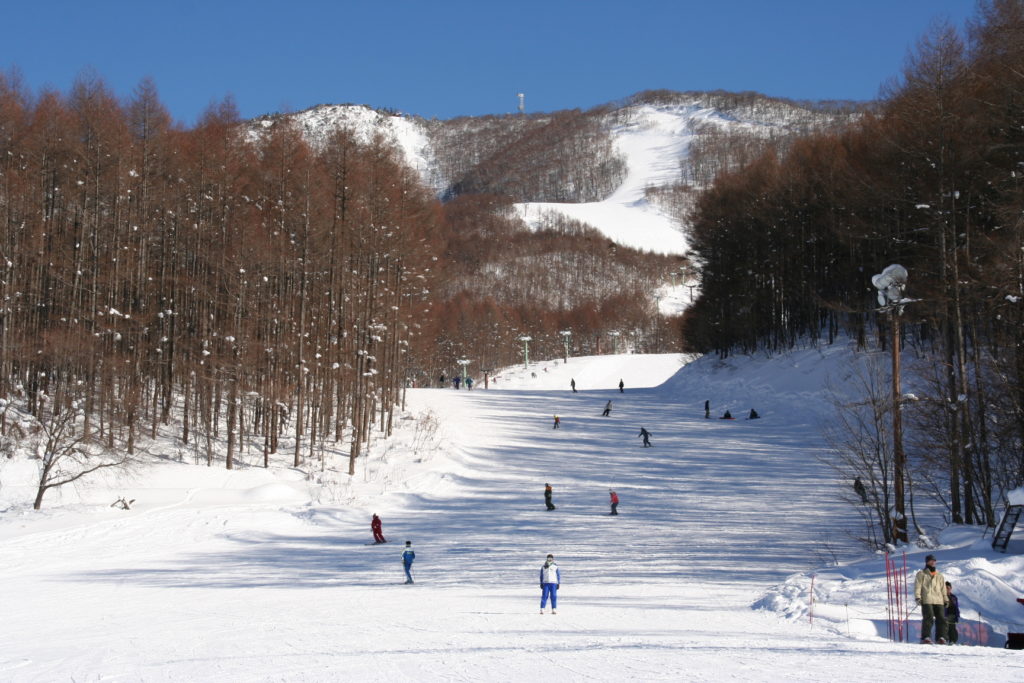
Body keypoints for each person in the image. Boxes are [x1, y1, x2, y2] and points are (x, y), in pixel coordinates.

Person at [914, 554, 948, 643]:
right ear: (927, 562)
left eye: (934, 560)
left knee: (941, 618)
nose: (933, 562)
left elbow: (943, 589)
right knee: (928, 618)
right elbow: (917, 586)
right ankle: (926, 637)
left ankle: (941, 637)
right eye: (931, 560)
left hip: (939, 600)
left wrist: (946, 599)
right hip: (927, 599)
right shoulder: (921, 574)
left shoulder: (939, 575)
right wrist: (918, 597)